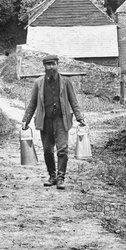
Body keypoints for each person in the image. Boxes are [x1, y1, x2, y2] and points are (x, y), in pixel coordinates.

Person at [21, 55, 85, 189]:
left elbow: (73, 101)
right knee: (47, 150)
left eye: (53, 64)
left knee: (62, 149)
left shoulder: (66, 82)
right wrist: (25, 120)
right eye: (48, 65)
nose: (51, 67)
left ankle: (61, 178)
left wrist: (79, 117)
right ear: (44, 66)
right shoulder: (38, 83)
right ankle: (52, 176)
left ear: (57, 65)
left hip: (61, 119)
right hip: (45, 120)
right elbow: (32, 104)